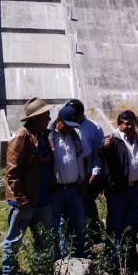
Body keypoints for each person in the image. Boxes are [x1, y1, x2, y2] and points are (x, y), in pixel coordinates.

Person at [1, 97, 54, 275]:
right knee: (14, 240)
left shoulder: (43, 136)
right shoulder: (22, 137)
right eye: (46, 115)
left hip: (43, 199)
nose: (49, 118)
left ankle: (42, 274)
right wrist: (22, 199)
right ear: (35, 117)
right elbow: (12, 172)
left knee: (43, 240)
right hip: (25, 201)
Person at [102, 110, 138, 262]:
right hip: (117, 191)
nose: (130, 127)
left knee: (132, 223)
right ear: (119, 124)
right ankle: (112, 260)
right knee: (115, 224)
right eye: (126, 124)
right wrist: (103, 148)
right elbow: (100, 158)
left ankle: (129, 257)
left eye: (132, 124)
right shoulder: (111, 141)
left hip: (135, 189)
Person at [63, 99, 105, 246]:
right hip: (72, 176)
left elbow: (99, 153)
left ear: (82, 114)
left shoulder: (94, 128)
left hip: (89, 175)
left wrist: (94, 174)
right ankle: (73, 239)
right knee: (72, 209)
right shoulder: (66, 126)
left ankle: (94, 237)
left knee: (87, 206)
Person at [49, 104, 89, 258]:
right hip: (56, 191)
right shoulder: (49, 137)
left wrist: (83, 181)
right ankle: (56, 259)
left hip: (74, 189)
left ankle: (79, 257)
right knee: (55, 226)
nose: (69, 128)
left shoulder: (75, 137)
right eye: (67, 125)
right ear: (58, 120)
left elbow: (82, 160)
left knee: (79, 224)